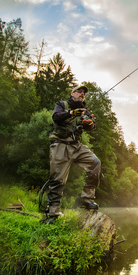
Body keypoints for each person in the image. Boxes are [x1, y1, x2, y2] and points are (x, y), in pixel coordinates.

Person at [44, 84, 101, 222]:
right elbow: (56, 117)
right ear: (72, 94)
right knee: (57, 179)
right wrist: (71, 113)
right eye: (79, 91)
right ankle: (53, 213)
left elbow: (91, 127)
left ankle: (87, 199)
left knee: (95, 163)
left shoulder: (85, 110)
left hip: (76, 146)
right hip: (60, 145)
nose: (82, 94)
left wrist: (89, 123)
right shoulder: (62, 104)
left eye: (84, 93)